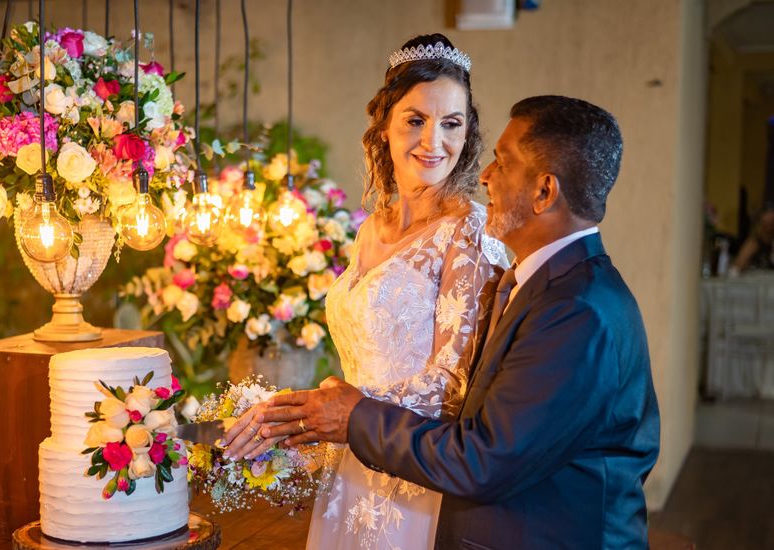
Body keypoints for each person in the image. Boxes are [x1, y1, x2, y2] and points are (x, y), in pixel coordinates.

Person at [244, 96, 661, 549]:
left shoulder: (579, 312)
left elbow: (484, 460)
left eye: (502, 163)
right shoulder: (542, 283)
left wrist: (355, 416)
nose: (484, 175)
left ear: (544, 192)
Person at [223, 34, 507, 549]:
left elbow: (455, 386)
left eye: (451, 123)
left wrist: (328, 410)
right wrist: (306, 420)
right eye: (415, 120)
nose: (433, 141)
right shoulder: (370, 228)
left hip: (413, 475)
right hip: (348, 466)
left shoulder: (469, 231)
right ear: (384, 128)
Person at [730, 205, 774, 274]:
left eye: (771, 224)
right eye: (765, 225)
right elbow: (736, 267)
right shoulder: (754, 242)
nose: (769, 229)